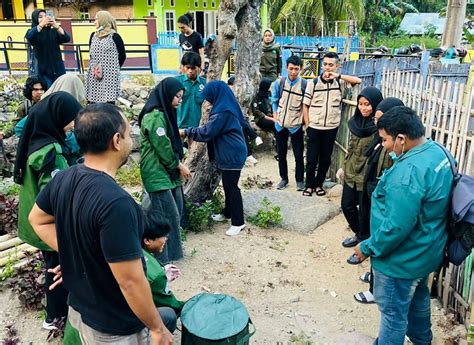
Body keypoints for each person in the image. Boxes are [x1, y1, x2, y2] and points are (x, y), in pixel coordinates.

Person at [29, 103, 173, 344]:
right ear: (116, 140)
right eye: (128, 134)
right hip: (113, 326)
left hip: (80, 309)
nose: (129, 140)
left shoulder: (65, 178)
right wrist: (157, 329)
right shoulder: (117, 203)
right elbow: (130, 281)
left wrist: (75, 254)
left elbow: (38, 219)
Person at [354, 107, 453, 344]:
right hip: (427, 251)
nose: (384, 146)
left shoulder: (408, 173)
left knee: (392, 315)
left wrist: (366, 247)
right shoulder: (439, 152)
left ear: (401, 138)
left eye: (385, 140)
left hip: (402, 259)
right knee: (418, 300)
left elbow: (396, 226)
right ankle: (422, 340)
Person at [13, 92, 81, 330]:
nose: (73, 124)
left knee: (53, 264)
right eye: (70, 119)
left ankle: (56, 313)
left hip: (36, 220)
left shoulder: (37, 140)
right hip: (49, 224)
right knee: (58, 268)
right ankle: (54, 317)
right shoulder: (51, 151)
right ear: (57, 118)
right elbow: (56, 194)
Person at [63, 218, 185, 344]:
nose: (166, 239)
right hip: (107, 330)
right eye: (163, 236)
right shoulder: (152, 274)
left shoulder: (105, 249)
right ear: (147, 240)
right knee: (169, 315)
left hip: (79, 324)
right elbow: (170, 304)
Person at [353, 97, 405, 305]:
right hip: (374, 199)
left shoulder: (396, 151)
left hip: (383, 205)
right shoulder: (381, 142)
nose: (377, 124)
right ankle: (373, 277)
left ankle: (376, 289)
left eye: (381, 119)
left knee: (380, 244)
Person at [180, 81, 247, 236]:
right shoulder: (226, 107)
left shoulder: (222, 112)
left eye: (208, 96)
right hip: (230, 152)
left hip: (232, 154)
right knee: (228, 185)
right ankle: (227, 213)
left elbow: (206, 132)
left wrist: (186, 132)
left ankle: (238, 222)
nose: (206, 100)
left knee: (232, 187)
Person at [138, 78, 191, 264]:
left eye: (181, 97)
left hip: (168, 172)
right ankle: (162, 259)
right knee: (165, 215)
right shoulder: (154, 116)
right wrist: (179, 165)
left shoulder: (165, 113)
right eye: (177, 97)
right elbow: (163, 146)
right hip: (156, 171)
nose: (179, 101)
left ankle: (173, 254)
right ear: (167, 95)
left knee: (176, 211)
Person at [302, 52, 361, 196]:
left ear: (337, 66)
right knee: (311, 158)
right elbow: (305, 105)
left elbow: (357, 80)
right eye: (325, 64)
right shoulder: (313, 83)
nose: (327, 68)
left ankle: (318, 185)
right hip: (314, 127)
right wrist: (308, 125)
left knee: (325, 158)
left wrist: (338, 76)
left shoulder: (340, 83)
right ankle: (309, 185)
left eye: (331, 65)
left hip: (331, 127)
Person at [341, 86, 383, 255]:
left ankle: (363, 239)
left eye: (367, 104)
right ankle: (360, 234)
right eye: (360, 104)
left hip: (366, 176)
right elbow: (350, 148)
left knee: (365, 211)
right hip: (351, 172)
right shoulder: (355, 123)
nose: (363, 108)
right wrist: (343, 167)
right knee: (347, 206)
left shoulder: (379, 127)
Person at [272, 55, 306, 191]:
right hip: (279, 124)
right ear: (286, 68)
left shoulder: (304, 85)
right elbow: (274, 101)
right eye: (291, 68)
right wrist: (275, 118)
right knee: (281, 154)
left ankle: (299, 181)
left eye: (296, 69)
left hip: (296, 125)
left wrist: (303, 121)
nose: (293, 72)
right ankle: (284, 179)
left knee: (298, 155)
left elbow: (306, 105)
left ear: (300, 69)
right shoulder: (279, 83)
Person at [85, 10, 126, 104]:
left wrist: (112, 69)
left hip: (109, 77)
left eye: (96, 19)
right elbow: (91, 55)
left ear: (103, 20)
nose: (94, 21)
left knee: (108, 104)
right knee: (93, 104)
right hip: (94, 75)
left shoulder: (115, 37)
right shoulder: (93, 36)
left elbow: (122, 56)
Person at [25, 9, 70, 86]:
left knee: (60, 92)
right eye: (40, 17)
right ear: (35, 19)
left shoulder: (53, 31)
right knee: (47, 92)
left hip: (58, 69)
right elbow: (29, 36)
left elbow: (67, 38)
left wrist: (56, 26)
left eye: (45, 16)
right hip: (43, 71)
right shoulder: (34, 32)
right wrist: (41, 24)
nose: (44, 18)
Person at [175, 52, 206, 129]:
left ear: (198, 68)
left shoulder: (205, 83)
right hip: (180, 128)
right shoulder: (176, 82)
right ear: (183, 67)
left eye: (193, 68)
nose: (190, 71)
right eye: (187, 68)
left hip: (198, 129)